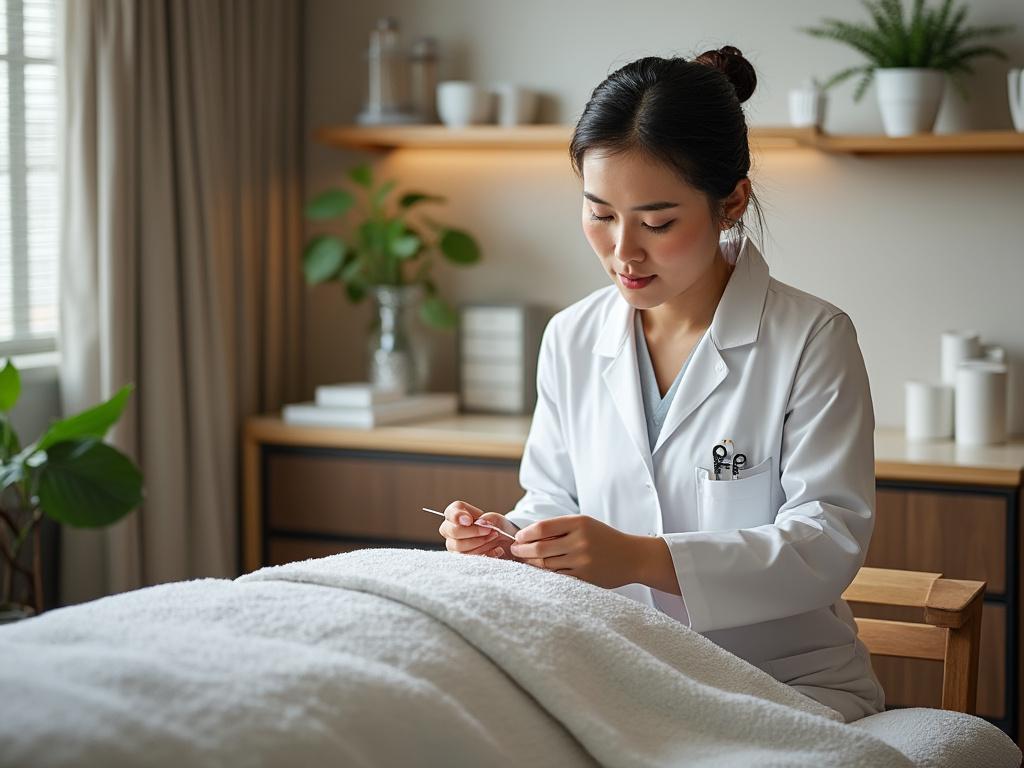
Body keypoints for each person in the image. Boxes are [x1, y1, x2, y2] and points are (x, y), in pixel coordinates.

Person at [437, 47, 885, 723]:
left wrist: (643, 559)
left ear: (731, 200)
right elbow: (554, 498)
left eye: (657, 222)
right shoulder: (571, 337)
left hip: (782, 686)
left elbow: (825, 542)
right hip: (616, 674)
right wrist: (507, 537)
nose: (623, 252)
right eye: (599, 214)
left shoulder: (811, 338)